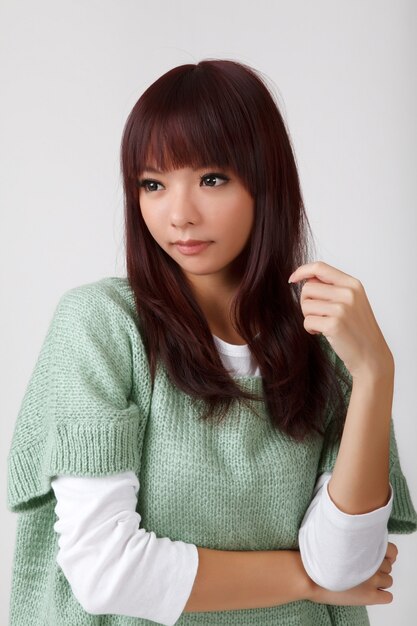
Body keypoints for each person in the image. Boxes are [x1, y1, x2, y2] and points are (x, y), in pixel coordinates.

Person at [6, 59, 417, 626]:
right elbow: (107, 572)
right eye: (153, 184)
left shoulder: (324, 343)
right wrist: (304, 579)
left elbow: (346, 567)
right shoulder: (101, 325)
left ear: (265, 181)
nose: (179, 214)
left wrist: (375, 373)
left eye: (211, 179)